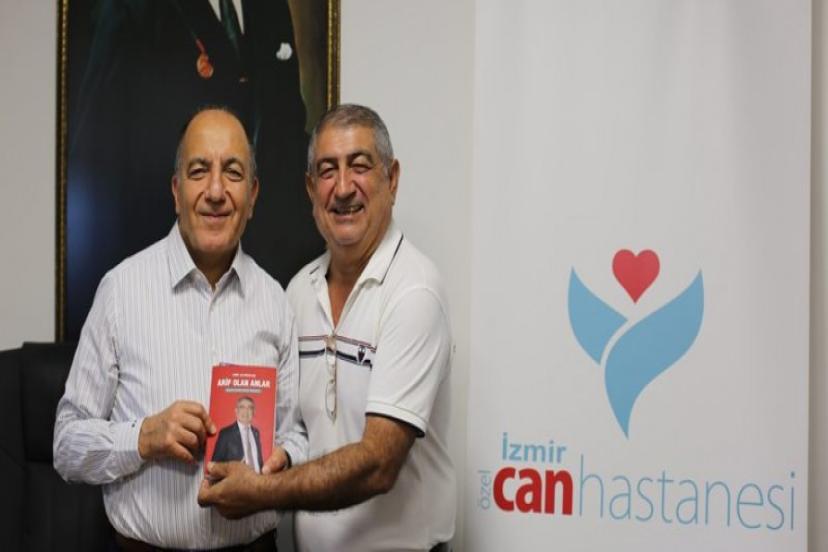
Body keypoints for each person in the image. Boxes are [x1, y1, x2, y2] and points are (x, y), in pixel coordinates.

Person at [198, 104, 456, 552]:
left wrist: (260, 492)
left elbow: (378, 463)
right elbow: (292, 428)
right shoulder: (298, 292)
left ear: (392, 179)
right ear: (310, 189)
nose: (343, 187)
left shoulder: (414, 291)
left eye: (360, 166)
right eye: (327, 170)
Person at [54, 107, 302, 550]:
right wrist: (143, 437)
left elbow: (295, 434)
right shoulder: (121, 291)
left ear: (252, 195)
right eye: (198, 171)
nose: (215, 191)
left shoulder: (276, 302)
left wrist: (283, 462)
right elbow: (66, 444)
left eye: (232, 172)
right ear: (176, 190)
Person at [65, 0, 324, 340]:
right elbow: (101, 145)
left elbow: (287, 125)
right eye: (200, 171)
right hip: (163, 295)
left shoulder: (270, 6)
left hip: (260, 283)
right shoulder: (134, 9)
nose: (216, 189)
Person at [213, 397, 265, 472]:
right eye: (242, 407)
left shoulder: (256, 432)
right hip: (236, 478)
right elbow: (215, 465)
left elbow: (258, 460)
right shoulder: (226, 433)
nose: (246, 412)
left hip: (258, 477)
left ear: (254, 412)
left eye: (250, 408)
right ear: (236, 411)